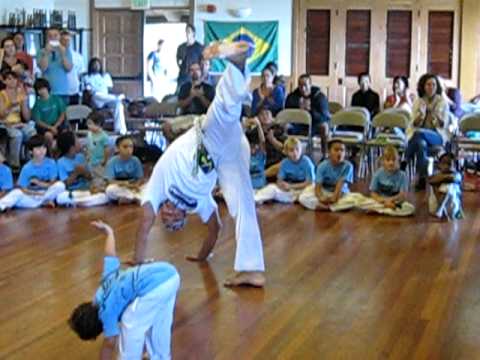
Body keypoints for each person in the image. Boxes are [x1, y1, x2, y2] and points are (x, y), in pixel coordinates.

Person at [135, 40, 265, 287]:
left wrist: (137, 261)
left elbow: (144, 223)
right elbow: (214, 229)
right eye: (176, 218)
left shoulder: (157, 189)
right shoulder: (199, 204)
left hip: (209, 137)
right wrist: (202, 255)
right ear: (185, 215)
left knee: (225, 110)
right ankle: (252, 270)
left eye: (167, 215)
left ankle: (237, 64)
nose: (171, 212)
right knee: (242, 204)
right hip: (229, 156)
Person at [68, 220, 180, 360]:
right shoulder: (105, 284)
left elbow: (110, 343)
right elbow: (110, 255)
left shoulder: (105, 314)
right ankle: (161, 356)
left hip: (155, 286)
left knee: (130, 321)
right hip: (169, 274)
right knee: (159, 322)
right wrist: (109, 232)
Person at [404, 73, 450, 191]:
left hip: (437, 135)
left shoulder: (442, 102)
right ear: (423, 87)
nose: (431, 87)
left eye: (434, 85)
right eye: (428, 85)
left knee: (419, 133)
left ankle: (405, 159)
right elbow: (413, 124)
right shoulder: (418, 102)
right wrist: (421, 116)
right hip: (420, 136)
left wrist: (434, 115)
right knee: (421, 144)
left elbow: (443, 124)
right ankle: (422, 178)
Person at [0, 135, 65, 211]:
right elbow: (22, 188)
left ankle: (43, 201)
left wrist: (39, 183)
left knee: (60, 185)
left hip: (46, 193)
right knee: (16, 193)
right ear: (31, 151)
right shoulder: (26, 168)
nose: (42, 151)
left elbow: (53, 183)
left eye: (44, 148)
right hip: (31, 195)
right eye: (38, 148)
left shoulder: (51, 163)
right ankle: (1, 205)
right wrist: (35, 194)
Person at [299, 139, 367, 211]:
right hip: (324, 190)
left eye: (342, 150)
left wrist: (333, 199)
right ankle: (333, 207)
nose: (339, 153)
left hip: (340, 193)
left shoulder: (348, 166)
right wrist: (321, 198)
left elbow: (340, 186)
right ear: (329, 152)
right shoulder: (322, 166)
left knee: (358, 199)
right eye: (336, 150)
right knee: (303, 198)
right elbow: (318, 186)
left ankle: (326, 207)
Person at [55, 131, 109, 207]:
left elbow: (90, 178)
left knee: (104, 196)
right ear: (71, 147)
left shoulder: (81, 157)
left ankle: (79, 203)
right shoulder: (60, 162)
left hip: (86, 190)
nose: (80, 141)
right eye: (77, 140)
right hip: (72, 192)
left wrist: (84, 172)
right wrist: (76, 173)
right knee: (60, 197)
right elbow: (65, 184)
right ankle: (83, 202)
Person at [255, 137, 315, 204]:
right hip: (290, 191)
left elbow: (310, 183)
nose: (295, 153)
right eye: (291, 150)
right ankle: (255, 198)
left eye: (297, 149)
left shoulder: (307, 162)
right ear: (286, 152)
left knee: (307, 194)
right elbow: (279, 180)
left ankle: (298, 199)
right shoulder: (284, 163)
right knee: (272, 188)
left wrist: (291, 186)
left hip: (303, 189)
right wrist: (282, 185)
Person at [358, 145, 414, 216]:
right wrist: (384, 201)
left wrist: (390, 200)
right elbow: (373, 193)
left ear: (398, 161)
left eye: (394, 160)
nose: (391, 163)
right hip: (380, 201)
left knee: (410, 208)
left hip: (395, 202)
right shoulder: (377, 173)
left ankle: (380, 210)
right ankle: (386, 210)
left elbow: (402, 195)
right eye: (388, 160)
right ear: (383, 161)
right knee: (362, 202)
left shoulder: (402, 175)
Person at [285, 74, 330, 156]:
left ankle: (325, 154)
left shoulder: (320, 97)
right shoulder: (292, 96)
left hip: (314, 125)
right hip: (298, 124)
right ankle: (286, 153)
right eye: (300, 85)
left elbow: (324, 117)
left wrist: (310, 109)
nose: (303, 88)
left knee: (324, 126)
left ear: (310, 85)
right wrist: (299, 108)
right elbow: (287, 113)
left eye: (305, 85)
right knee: (284, 126)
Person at [82, 57, 127, 134]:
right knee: (97, 95)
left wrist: (110, 98)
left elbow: (109, 90)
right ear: (90, 66)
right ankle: (117, 98)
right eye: (94, 64)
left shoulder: (106, 76)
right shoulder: (86, 77)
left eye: (97, 64)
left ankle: (120, 130)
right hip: (96, 100)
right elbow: (88, 92)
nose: (96, 66)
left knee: (118, 105)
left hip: (107, 99)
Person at [0, 70, 35, 170]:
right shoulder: (1, 94)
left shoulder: (20, 94)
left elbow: (27, 117)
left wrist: (25, 102)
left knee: (31, 132)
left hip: (18, 123)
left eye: (14, 79)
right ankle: (14, 164)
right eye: (9, 79)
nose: (13, 81)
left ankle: (30, 160)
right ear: (4, 81)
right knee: (17, 135)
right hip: (4, 123)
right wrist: (11, 105)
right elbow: (2, 115)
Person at [37, 27, 73, 105]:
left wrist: (63, 54)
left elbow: (68, 69)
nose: (53, 38)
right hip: (47, 93)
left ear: (59, 37)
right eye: (50, 36)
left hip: (63, 92)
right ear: (46, 38)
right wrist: (46, 53)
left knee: (64, 116)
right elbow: (43, 68)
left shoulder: (66, 51)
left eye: (55, 35)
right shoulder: (41, 51)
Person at [105, 135, 145, 204]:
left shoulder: (136, 160)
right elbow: (110, 181)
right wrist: (123, 184)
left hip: (134, 187)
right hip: (121, 187)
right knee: (109, 190)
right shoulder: (112, 161)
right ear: (117, 148)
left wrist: (136, 186)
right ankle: (133, 198)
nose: (129, 150)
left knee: (147, 187)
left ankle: (129, 198)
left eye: (131, 147)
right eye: (125, 147)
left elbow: (140, 178)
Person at [31, 78, 67, 150]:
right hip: (44, 127)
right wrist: (51, 128)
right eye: (39, 89)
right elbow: (38, 121)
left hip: (57, 124)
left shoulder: (56, 99)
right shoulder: (37, 104)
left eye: (43, 88)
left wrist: (55, 126)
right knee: (48, 135)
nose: (42, 91)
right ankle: (50, 154)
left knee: (66, 134)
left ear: (47, 87)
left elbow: (62, 114)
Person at [428, 152, 463, 220]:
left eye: (449, 164)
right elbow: (431, 181)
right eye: (443, 163)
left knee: (448, 186)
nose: (446, 166)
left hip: (451, 207)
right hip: (434, 207)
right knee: (436, 185)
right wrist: (443, 177)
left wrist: (441, 178)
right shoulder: (436, 174)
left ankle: (441, 210)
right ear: (439, 164)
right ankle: (441, 210)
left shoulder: (457, 175)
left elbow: (453, 178)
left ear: (455, 166)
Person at [86, 112, 110, 190]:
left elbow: (106, 149)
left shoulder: (104, 136)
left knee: (101, 177)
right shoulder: (89, 134)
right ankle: (95, 189)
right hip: (91, 160)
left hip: (100, 161)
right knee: (93, 177)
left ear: (98, 124)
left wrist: (105, 160)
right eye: (88, 124)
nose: (88, 126)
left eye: (90, 124)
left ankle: (102, 189)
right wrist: (87, 155)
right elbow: (88, 146)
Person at [176, 24, 204, 91]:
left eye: (188, 31)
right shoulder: (181, 47)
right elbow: (178, 61)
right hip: (182, 78)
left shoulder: (200, 48)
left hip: (194, 79)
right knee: (179, 97)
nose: (187, 33)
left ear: (193, 33)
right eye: (186, 31)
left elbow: (203, 64)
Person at [60, 30, 84, 105]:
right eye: (63, 40)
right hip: (59, 93)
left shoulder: (78, 57)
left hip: (73, 92)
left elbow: (80, 74)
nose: (65, 42)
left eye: (68, 40)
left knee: (73, 115)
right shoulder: (54, 56)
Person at [244, 117, 266, 190]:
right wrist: (244, 126)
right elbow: (239, 139)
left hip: (259, 184)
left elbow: (262, 141)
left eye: (256, 146)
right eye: (251, 146)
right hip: (247, 185)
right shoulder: (243, 155)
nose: (254, 148)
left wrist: (259, 125)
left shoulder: (260, 155)